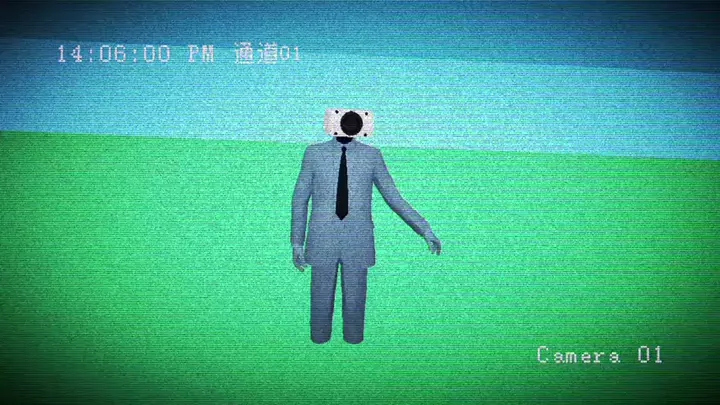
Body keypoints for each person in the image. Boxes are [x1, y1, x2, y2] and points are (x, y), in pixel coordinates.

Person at [291, 111, 441, 344]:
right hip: (322, 238)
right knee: (320, 298)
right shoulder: (314, 153)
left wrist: (424, 229)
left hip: (358, 240)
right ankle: (319, 337)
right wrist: (297, 242)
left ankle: (353, 338)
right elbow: (300, 199)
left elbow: (393, 197)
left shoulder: (372, 155)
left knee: (355, 300)